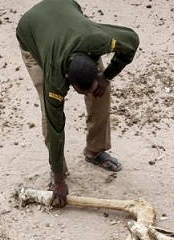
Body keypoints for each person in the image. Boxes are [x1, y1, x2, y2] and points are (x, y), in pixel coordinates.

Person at [16, 0, 139, 207]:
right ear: (67, 79)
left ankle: (95, 150)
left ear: (93, 63)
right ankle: (59, 171)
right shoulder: (56, 80)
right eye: (79, 90)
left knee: (102, 93)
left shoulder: (98, 41)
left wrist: (107, 76)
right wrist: (58, 180)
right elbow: (56, 128)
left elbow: (132, 40)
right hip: (31, 35)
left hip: (65, 7)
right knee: (49, 112)